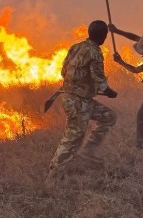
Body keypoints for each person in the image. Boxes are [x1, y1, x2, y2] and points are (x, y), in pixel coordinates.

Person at [45, 20, 118, 186]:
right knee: (72, 138)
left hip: (78, 98)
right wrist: (110, 92)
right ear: (103, 36)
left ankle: (88, 151)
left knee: (108, 116)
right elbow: (100, 80)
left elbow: (63, 71)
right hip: (77, 101)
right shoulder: (95, 53)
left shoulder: (76, 47)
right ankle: (52, 180)